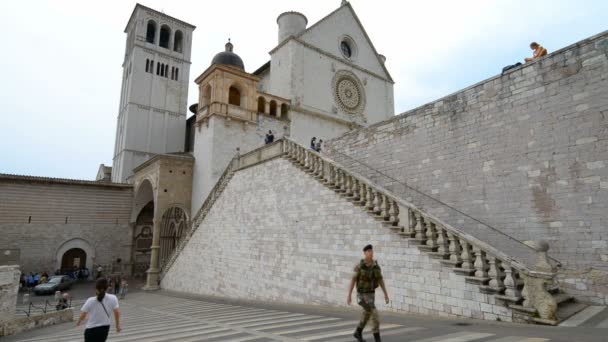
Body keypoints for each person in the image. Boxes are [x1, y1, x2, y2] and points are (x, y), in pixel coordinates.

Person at [347, 244, 389, 342]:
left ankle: (358, 332)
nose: (371, 253)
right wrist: (349, 295)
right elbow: (353, 280)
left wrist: (386, 294)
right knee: (374, 314)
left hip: (371, 295)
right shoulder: (360, 266)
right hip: (361, 295)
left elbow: (380, 280)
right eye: (369, 251)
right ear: (365, 253)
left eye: (372, 251)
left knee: (367, 314)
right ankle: (377, 339)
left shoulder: (375, 266)